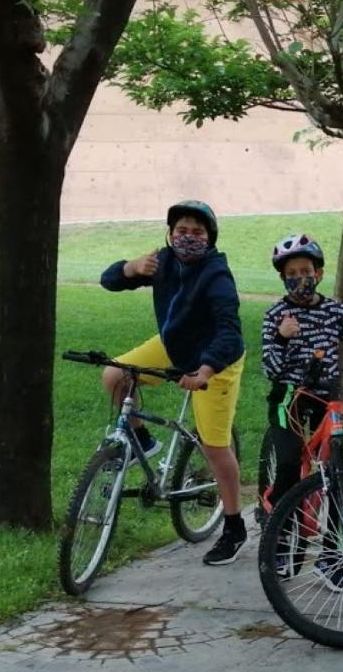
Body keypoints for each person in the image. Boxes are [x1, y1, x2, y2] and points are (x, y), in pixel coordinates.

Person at [99, 200, 246, 566]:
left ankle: (234, 527)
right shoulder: (163, 262)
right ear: (170, 233)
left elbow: (230, 333)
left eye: (197, 232)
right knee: (115, 376)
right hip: (174, 345)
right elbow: (108, 280)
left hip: (216, 359)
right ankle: (142, 443)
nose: (188, 237)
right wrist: (130, 269)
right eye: (181, 230)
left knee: (214, 446)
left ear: (209, 239)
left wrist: (207, 370)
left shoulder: (217, 276)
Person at [259, 233, 343, 592]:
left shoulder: (336, 311)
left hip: (328, 400)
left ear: (319, 273)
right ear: (283, 277)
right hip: (287, 397)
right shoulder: (276, 314)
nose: (300, 278)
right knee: (289, 462)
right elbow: (271, 368)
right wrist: (281, 336)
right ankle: (279, 539)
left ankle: (330, 559)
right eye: (292, 273)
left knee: (336, 475)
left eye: (306, 270)